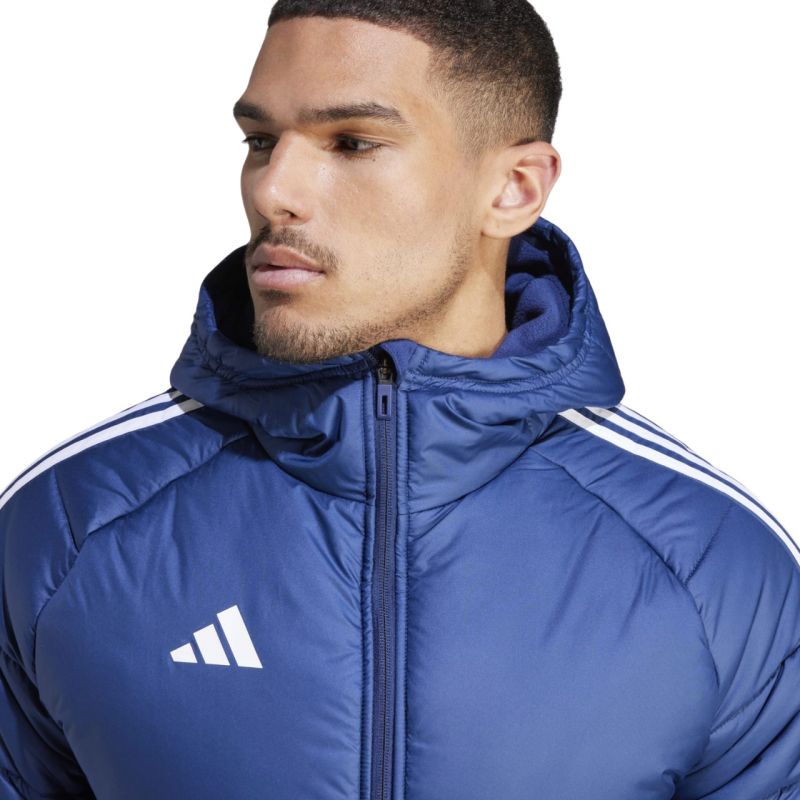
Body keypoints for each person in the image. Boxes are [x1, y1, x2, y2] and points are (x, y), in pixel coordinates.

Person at [1, 1, 798, 798]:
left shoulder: (710, 560)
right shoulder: (68, 527)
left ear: (514, 188)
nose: (274, 190)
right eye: (260, 141)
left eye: (352, 143)